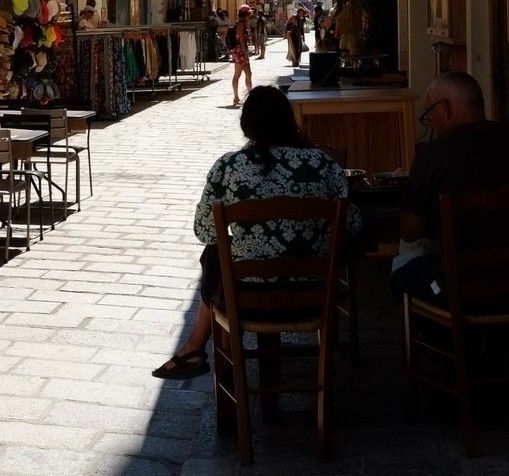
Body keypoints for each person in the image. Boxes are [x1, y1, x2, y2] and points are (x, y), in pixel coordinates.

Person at [152, 86, 361, 378]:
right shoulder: (324, 164)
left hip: (248, 297)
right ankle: (194, 348)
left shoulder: (229, 166)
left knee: (215, 252)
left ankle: (197, 349)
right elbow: (351, 227)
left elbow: (204, 230)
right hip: (312, 295)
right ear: (289, 121)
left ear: (246, 124)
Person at [393, 70, 509, 302]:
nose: (431, 122)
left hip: (458, 294)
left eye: (429, 113)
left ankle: (444, 336)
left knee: (404, 265)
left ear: (444, 108)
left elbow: (410, 231)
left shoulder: (433, 154)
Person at [228, 4, 255, 107]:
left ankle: (249, 96)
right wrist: (245, 54)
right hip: (240, 52)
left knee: (248, 74)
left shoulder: (244, 23)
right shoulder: (240, 24)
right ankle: (236, 97)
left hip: (241, 51)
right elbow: (242, 40)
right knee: (238, 75)